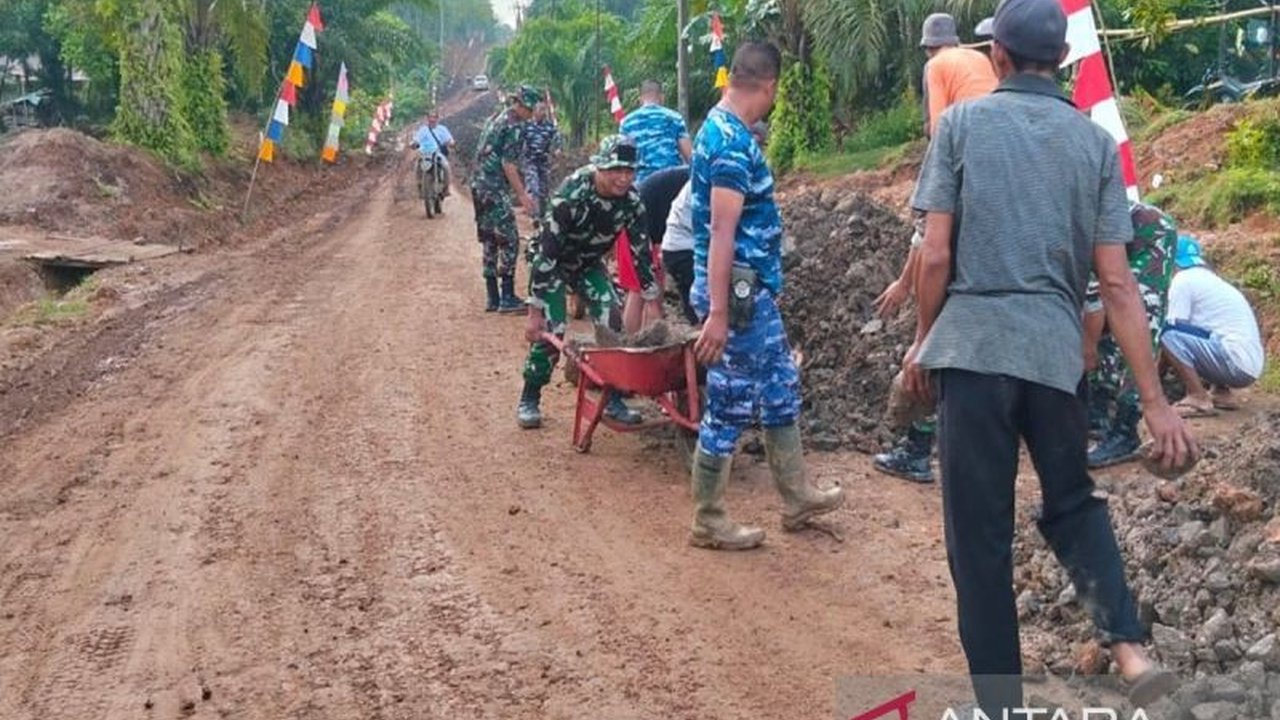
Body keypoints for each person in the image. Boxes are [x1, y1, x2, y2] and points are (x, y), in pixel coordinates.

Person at [904, 0, 1196, 711]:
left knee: (979, 540)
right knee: (1073, 503)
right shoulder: (1093, 144)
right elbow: (1117, 283)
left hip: (973, 355)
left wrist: (921, 343)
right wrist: (1155, 404)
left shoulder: (963, 125)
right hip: (1054, 356)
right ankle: (1128, 650)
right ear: (1061, 62)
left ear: (996, 58)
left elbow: (936, 253)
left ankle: (1001, 706)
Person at [687, 42, 844, 551]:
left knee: (780, 384)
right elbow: (721, 233)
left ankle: (797, 496)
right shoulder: (730, 142)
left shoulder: (719, 128)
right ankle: (708, 518)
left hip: (753, 295)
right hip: (736, 299)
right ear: (770, 86)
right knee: (731, 402)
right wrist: (716, 313)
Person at [872, 12, 998, 484]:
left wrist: (916, 311)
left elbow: (938, 129)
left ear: (928, 48)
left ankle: (918, 450)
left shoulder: (936, 67)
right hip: (996, 183)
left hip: (963, 168)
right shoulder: (981, 61)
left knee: (937, 332)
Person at [516, 135, 663, 429]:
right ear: (599, 168)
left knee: (612, 320)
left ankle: (614, 398)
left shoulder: (632, 203)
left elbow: (641, 254)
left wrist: (652, 300)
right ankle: (529, 396)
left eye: (629, 171)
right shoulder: (571, 195)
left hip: (588, 264)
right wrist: (534, 312)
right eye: (615, 170)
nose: (623, 179)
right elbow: (547, 253)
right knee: (552, 330)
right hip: (553, 263)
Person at [1083, 203, 1178, 468]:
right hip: (1108, 240)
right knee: (1100, 320)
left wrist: (1088, 346)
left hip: (1148, 236)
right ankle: (1097, 411)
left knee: (1139, 323)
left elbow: (1096, 297)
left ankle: (1125, 428)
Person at [1160, 235, 1265, 416]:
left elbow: (1171, 332)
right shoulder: (1214, 282)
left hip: (1232, 361)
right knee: (1202, 333)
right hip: (1249, 367)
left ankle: (1197, 396)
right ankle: (1221, 392)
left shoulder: (1183, 280)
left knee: (1167, 332)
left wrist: (1153, 380)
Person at [471, 85, 541, 314]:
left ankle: (492, 296)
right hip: (493, 186)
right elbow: (508, 164)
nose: (531, 115)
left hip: (478, 184)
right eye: (530, 110)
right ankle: (507, 297)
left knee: (490, 238)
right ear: (522, 106)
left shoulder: (497, 117)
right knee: (510, 238)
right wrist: (523, 196)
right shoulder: (514, 126)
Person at [620, 80, 693, 184]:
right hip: (672, 182)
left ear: (640, 99)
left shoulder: (627, 122)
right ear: (662, 97)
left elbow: (625, 161)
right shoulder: (675, 118)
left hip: (641, 183)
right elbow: (690, 157)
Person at [521, 101, 562, 215]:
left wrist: (558, 149)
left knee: (544, 191)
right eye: (540, 110)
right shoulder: (527, 126)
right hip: (530, 162)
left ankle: (543, 215)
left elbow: (558, 138)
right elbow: (518, 141)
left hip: (543, 162)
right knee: (534, 187)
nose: (542, 113)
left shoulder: (549, 126)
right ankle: (534, 215)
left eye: (544, 110)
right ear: (534, 111)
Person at [413, 110, 456, 196]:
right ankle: (420, 186)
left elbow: (450, 140)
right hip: (424, 153)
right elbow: (416, 140)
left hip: (438, 153)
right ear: (427, 118)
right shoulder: (423, 130)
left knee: (446, 166)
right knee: (417, 166)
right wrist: (413, 144)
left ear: (437, 118)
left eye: (434, 117)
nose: (432, 119)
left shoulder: (443, 129)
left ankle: (446, 188)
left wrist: (451, 143)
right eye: (430, 117)